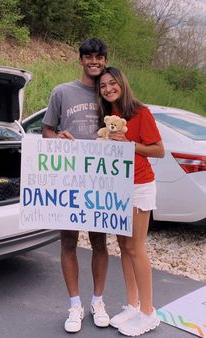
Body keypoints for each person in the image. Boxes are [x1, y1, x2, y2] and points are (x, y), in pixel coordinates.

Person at [42, 38, 110, 333]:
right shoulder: (62, 92)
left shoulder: (110, 92)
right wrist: (57, 139)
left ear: (105, 60)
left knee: (99, 242)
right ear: (80, 59)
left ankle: (98, 300)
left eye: (99, 57)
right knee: (68, 240)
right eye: (89, 57)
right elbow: (46, 130)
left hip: (101, 180)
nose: (94, 61)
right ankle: (74, 305)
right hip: (68, 180)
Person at [96, 66, 165, 336]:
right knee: (123, 246)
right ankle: (133, 305)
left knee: (136, 248)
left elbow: (158, 150)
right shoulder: (109, 116)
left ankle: (148, 312)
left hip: (139, 186)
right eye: (103, 86)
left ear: (122, 84)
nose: (108, 88)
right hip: (117, 186)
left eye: (112, 83)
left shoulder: (140, 112)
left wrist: (129, 143)